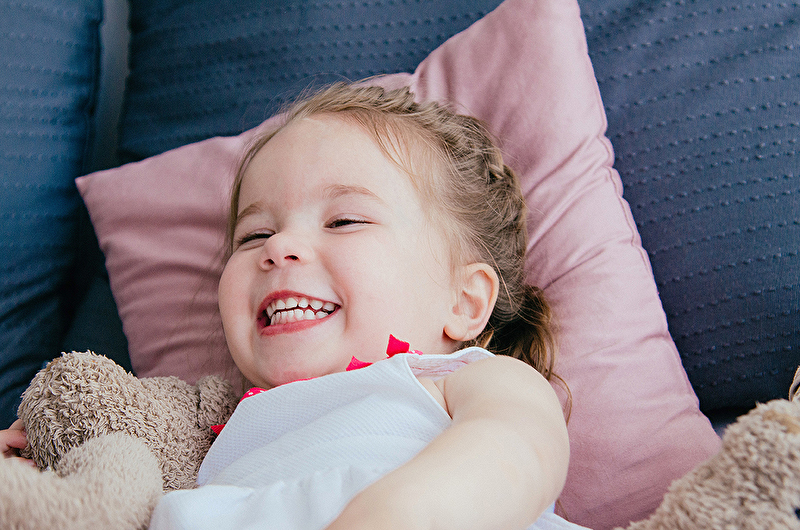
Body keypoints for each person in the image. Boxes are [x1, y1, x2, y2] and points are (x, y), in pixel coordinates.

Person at [2, 83, 580, 530]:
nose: (278, 247)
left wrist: (395, 516)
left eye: (344, 220)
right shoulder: (209, 433)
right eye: (254, 234)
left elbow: (523, 451)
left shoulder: (460, 380)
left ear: (464, 300)